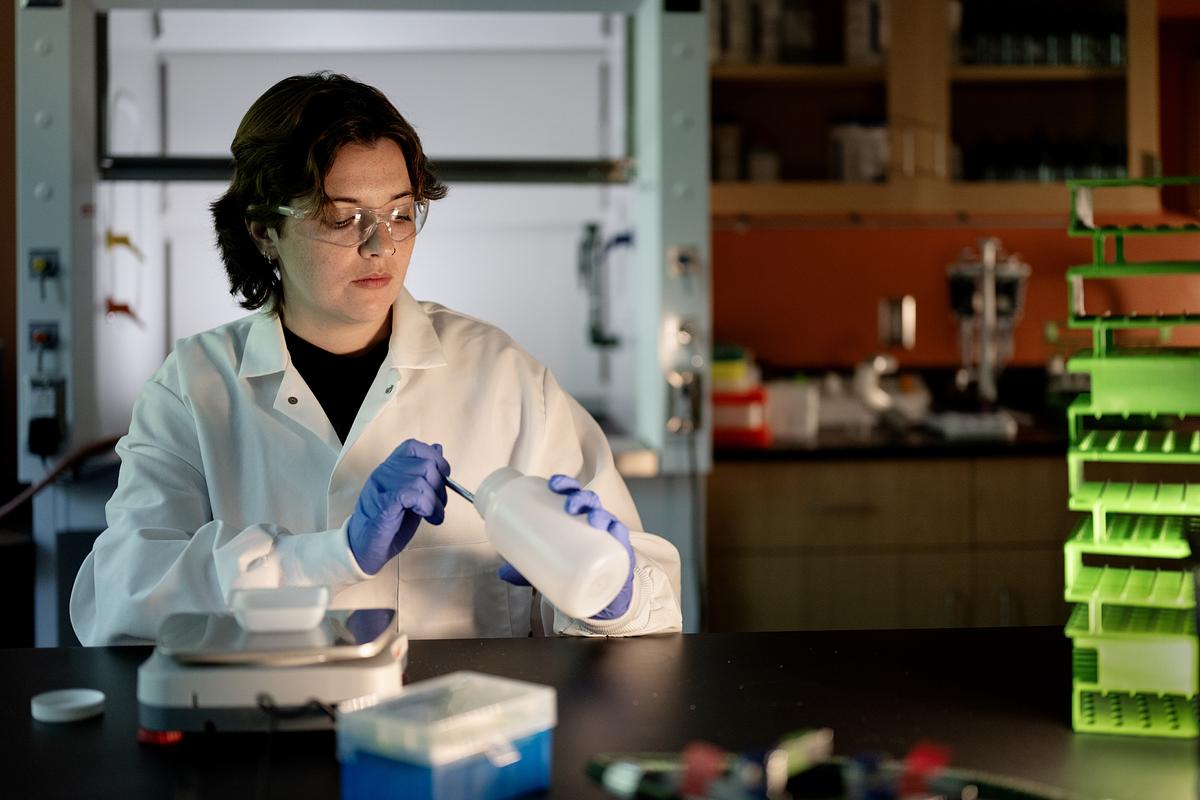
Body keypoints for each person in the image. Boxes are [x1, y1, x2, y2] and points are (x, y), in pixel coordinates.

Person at [70, 72, 683, 645]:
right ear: (262, 230)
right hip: (268, 742)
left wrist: (613, 593)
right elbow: (121, 599)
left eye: (398, 213)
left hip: (460, 745)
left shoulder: (504, 376)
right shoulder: (195, 388)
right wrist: (337, 555)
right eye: (343, 218)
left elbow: (658, 612)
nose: (379, 244)